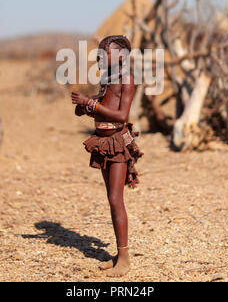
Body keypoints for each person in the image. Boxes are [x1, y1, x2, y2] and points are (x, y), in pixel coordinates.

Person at [71, 35, 144, 277]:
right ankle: (118, 255)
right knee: (111, 198)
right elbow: (105, 108)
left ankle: (124, 258)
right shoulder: (107, 78)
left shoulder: (127, 79)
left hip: (117, 143)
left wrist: (91, 105)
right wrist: (86, 109)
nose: (101, 57)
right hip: (104, 141)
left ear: (122, 55)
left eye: (106, 53)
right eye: (100, 53)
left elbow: (121, 115)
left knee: (115, 199)